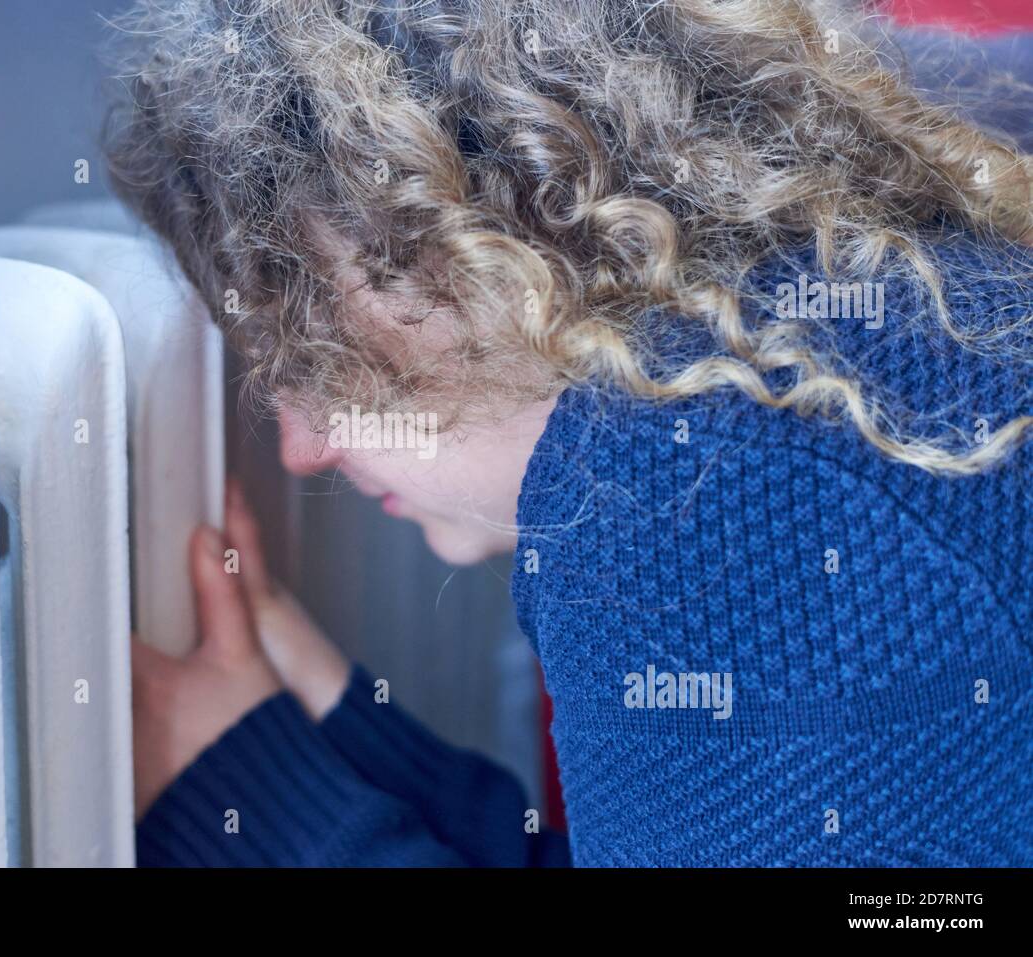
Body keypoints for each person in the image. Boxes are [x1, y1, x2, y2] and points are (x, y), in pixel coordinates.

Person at [107, 0, 1033, 866]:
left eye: (308, 350)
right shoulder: (828, 353)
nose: (304, 446)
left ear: (480, 248)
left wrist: (248, 803)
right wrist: (344, 734)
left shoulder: (703, 485)